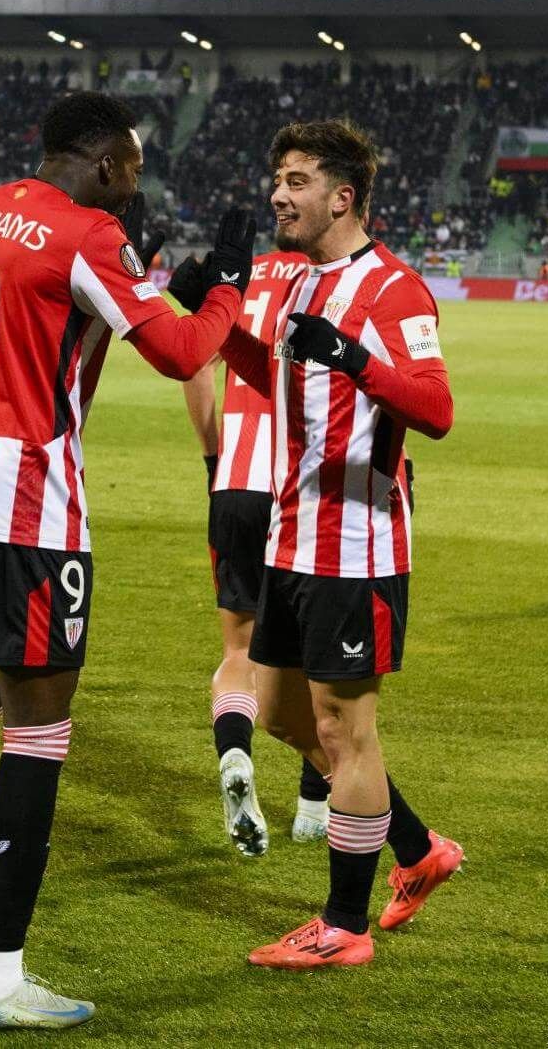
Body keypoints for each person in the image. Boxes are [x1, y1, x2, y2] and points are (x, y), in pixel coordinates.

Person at [0, 92, 248, 1029]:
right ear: (110, 163)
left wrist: (173, 277)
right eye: (135, 173)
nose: (135, 190)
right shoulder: (89, 235)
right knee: (37, 732)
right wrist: (230, 283)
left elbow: (72, 317)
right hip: (29, 501)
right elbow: (184, 348)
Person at [217, 120, 463, 970]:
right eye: (277, 178)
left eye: (295, 180)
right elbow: (283, 384)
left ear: (342, 196)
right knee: (284, 712)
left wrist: (357, 356)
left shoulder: (394, 291)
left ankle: (343, 926)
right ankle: (418, 846)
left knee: (347, 732)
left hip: (355, 548)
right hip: (292, 538)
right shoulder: (299, 288)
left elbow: (435, 410)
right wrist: (212, 320)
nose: (278, 194)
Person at [174, 247, 332, 856]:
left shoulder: (240, 278)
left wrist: (216, 452)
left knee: (239, 649)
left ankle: (235, 750)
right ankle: (315, 808)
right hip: (300, 489)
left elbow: (195, 362)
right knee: (321, 653)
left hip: (236, 484)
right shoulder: (332, 279)